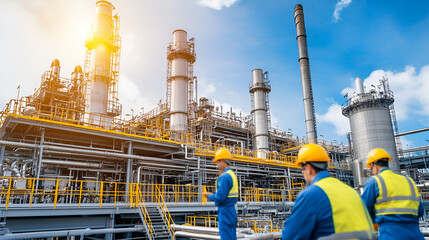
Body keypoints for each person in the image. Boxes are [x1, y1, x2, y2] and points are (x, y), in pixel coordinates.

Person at [282, 144, 374, 240]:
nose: (302, 173)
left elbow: (290, 236)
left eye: (302, 169)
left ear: (308, 168)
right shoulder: (352, 192)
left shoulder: (311, 195)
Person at [362, 148, 424, 240]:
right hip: (415, 234)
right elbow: (420, 211)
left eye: (371, 168)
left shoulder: (375, 181)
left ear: (374, 166)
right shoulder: (409, 181)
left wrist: (376, 222)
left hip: (390, 234)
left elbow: (364, 210)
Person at [203, 148, 238, 240]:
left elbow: (220, 197)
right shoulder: (232, 174)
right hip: (232, 210)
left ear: (222, 161)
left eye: (217, 162)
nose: (217, 165)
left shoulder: (224, 177)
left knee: (226, 237)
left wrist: (208, 195)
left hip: (225, 211)